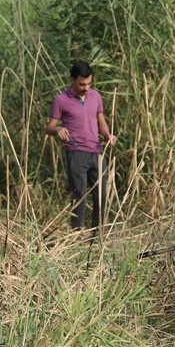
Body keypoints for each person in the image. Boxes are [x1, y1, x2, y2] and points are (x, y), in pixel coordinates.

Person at [44, 60, 118, 230]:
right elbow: (49, 127)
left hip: (96, 152)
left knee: (101, 194)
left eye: (89, 83)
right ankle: (77, 233)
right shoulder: (61, 100)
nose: (86, 88)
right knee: (79, 195)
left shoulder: (95, 96)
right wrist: (57, 130)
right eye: (81, 84)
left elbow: (101, 121)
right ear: (72, 80)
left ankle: (97, 233)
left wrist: (107, 135)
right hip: (76, 152)